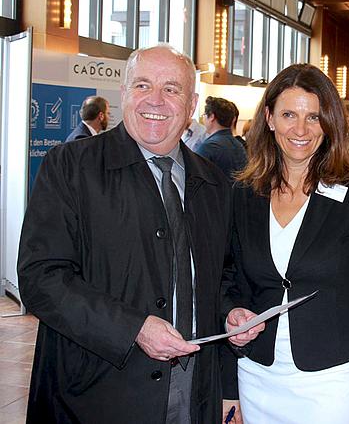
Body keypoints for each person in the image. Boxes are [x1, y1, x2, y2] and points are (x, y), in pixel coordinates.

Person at [17, 45, 262, 424]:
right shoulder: (71, 167)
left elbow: (220, 277)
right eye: (143, 85)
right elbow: (41, 279)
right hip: (96, 393)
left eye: (171, 89)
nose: (156, 100)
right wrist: (133, 328)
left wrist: (230, 313)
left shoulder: (212, 183)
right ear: (124, 92)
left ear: (192, 102)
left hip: (192, 391)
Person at [223, 64, 349, 424]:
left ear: (329, 124)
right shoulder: (244, 192)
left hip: (330, 380)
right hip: (257, 375)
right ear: (269, 118)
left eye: (313, 117)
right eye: (289, 114)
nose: (300, 129)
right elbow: (229, 281)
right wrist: (232, 315)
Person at [195, 96, 248, 183]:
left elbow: (196, 181)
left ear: (212, 116)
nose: (203, 119)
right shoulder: (238, 145)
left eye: (204, 115)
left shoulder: (209, 147)